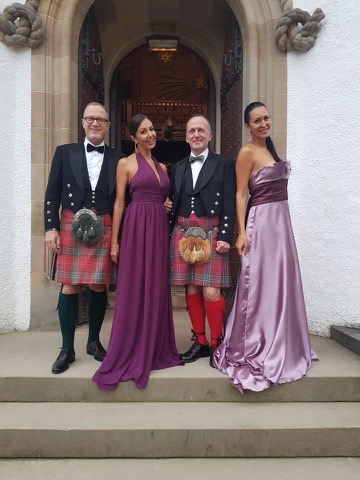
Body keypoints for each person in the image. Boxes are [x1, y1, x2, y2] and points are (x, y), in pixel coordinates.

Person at [213, 101, 318, 393]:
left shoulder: (270, 150)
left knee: (280, 282)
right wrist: (241, 232)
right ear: (247, 126)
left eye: (266, 118)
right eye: (256, 121)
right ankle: (252, 340)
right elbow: (239, 193)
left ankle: (284, 339)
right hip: (260, 223)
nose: (263, 124)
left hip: (281, 225)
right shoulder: (247, 152)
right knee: (257, 282)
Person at [92, 113, 182, 390]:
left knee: (156, 286)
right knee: (134, 287)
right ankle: (131, 347)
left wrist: (164, 206)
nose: (151, 135)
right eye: (144, 132)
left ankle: (155, 346)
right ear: (133, 138)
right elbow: (119, 203)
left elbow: (163, 197)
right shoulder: (125, 164)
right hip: (135, 228)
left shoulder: (162, 167)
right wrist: (115, 241)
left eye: (152, 130)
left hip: (157, 229)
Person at [44, 101, 125, 374]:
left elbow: (127, 196)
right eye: (90, 119)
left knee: (99, 285)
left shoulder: (118, 158)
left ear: (108, 125)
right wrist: (50, 227)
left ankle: (93, 341)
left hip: (104, 223)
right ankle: (67, 348)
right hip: (70, 222)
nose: (95, 123)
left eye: (100, 119)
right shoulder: (64, 153)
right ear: (82, 122)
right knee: (70, 286)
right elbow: (52, 193)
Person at [169, 114, 236, 367]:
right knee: (192, 288)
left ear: (210, 135)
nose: (196, 134)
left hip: (211, 232)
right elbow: (172, 201)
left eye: (201, 130)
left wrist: (226, 235)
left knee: (211, 290)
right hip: (183, 232)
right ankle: (200, 341)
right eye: (191, 131)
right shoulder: (177, 167)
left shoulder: (224, 164)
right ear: (186, 137)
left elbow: (229, 201)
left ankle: (217, 342)